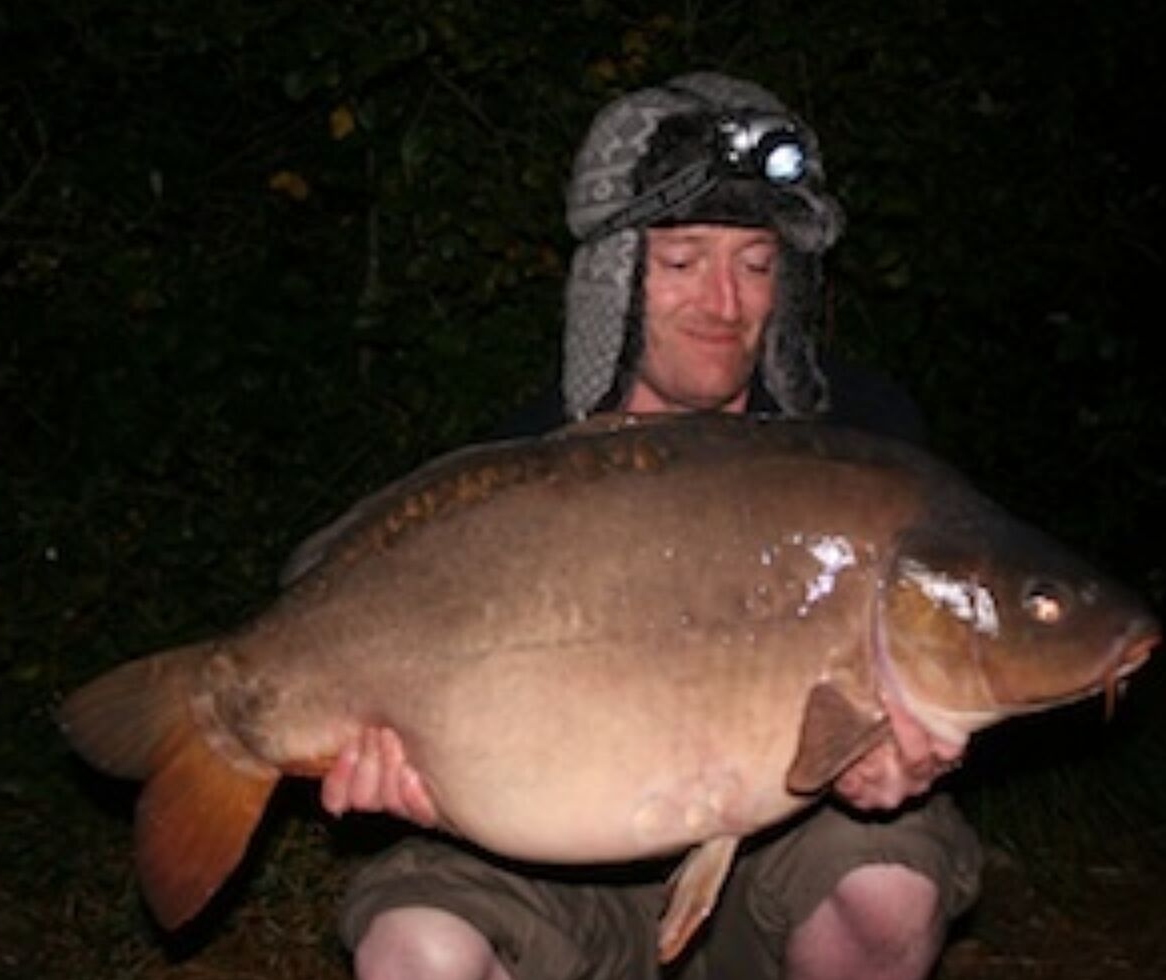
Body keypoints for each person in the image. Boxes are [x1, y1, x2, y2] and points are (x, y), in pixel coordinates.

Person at [303, 72, 983, 980]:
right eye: (682, 261)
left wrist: (898, 763)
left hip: (777, 840)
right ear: (615, 278)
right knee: (417, 952)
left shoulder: (858, 457)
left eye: (755, 263)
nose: (724, 302)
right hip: (555, 860)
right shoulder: (521, 475)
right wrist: (422, 783)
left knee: (886, 895)